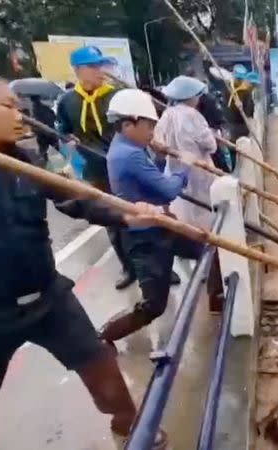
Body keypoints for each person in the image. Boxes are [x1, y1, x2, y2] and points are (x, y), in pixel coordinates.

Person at [0, 72, 168, 449]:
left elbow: (75, 199)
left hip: (50, 300)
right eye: (7, 106)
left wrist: (129, 215)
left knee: (101, 367)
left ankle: (130, 427)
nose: (20, 115)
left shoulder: (21, 159)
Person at [56, 46, 179, 290]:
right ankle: (129, 267)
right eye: (93, 66)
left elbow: (142, 125)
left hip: (129, 167)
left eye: (102, 65)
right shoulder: (68, 100)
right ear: (78, 70)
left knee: (149, 215)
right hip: (96, 169)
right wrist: (69, 140)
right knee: (114, 222)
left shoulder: (118, 96)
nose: (100, 71)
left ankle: (164, 266)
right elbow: (63, 128)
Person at [99, 89, 204, 343]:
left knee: (208, 249)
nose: (152, 132)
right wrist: (185, 165)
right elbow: (168, 189)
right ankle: (103, 337)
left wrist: (159, 155)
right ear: (127, 124)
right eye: (148, 126)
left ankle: (221, 302)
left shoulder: (128, 146)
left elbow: (151, 177)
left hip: (162, 224)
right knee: (154, 305)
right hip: (146, 237)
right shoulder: (129, 154)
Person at [157, 75, 219, 228]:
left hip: (174, 169)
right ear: (191, 97)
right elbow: (211, 145)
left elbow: (158, 142)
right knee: (203, 210)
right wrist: (213, 136)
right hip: (198, 169)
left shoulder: (166, 115)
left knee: (183, 207)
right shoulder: (193, 115)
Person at [30, 95, 57, 162]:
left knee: (43, 148)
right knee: (55, 146)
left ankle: (46, 161)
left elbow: (33, 122)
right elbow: (54, 117)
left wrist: (33, 130)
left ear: (32, 101)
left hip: (41, 133)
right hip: (50, 130)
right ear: (39, 99)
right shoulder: (46, 108)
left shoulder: (34, 110)